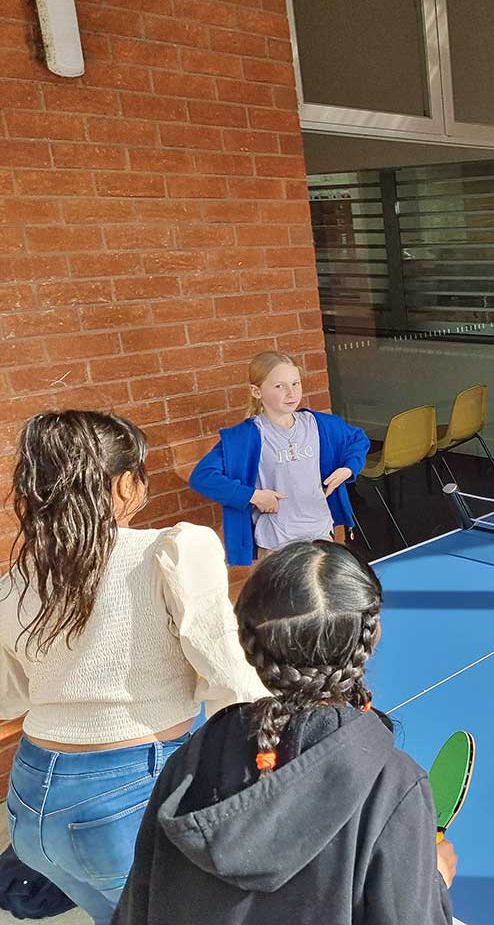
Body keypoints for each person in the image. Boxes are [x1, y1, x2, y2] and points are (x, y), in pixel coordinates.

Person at [0, 411, 267, 925]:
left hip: (29, 799)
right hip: (122, 795)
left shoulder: (14, 583)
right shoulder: (171, 550)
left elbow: (10, 698)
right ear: (126, 485)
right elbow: (229, 675)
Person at [112, 541, 457, 925]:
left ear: (247, 644)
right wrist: (435, 881)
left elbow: (136, 905)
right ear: (372, 637)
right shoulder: (394, 785)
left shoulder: (190, 762)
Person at [189, 351, 370, 566]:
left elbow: (358, 439)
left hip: (321, 534)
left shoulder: (319, 424)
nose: (291, 393)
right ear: (257, 391)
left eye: (295, 384)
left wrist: (348, 470)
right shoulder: (246, 437)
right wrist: (254, 496)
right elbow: (202, 477)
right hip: (277, 544)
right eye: (279, 386)